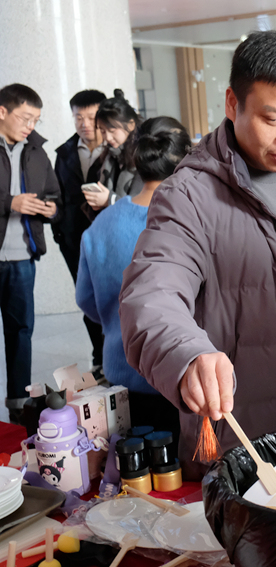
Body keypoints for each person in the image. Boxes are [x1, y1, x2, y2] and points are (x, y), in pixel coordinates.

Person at [119, 31, 276, 477]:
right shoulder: (190, 195)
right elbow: (151, 299)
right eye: (272, 118)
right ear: (233, 104)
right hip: (247, 446)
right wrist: (187, 355)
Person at [76, 117, 190, 439]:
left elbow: (87, 299)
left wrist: (119, 322)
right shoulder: (192, 221)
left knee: (134, 477)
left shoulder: (102, 224)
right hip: (182, 377)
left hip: (122, 376)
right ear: (186, 161)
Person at [0, 84, 60, 423]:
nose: (30, 126)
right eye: (25, 118)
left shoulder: (36, 151)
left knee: (20, 332)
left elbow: (55, 195)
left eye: (35, 119)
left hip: (23, 257)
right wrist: (10, 203)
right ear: (2, 111)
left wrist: (51, 209)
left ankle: (17, 405)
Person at [53, 89, 107, 376]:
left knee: (112, 296)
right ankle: (98, 356)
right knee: (86, 299)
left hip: (108, 238)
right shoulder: (64, 153)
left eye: (91, 116)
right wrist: (59, 228)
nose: (85, 123)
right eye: (78, 117)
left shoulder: (115, 151)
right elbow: (57, 195)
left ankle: (117, 354)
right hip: (74, 239)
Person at [83, 90, 143, 215]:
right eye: (103, 131)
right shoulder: (108, 158)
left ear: (131, 125)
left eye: (112, 130)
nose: (108, 138)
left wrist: (110, 200)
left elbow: (143, 206)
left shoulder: (144, 156)